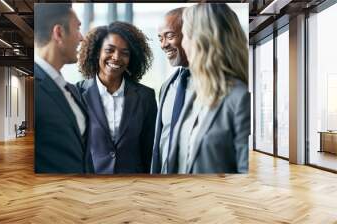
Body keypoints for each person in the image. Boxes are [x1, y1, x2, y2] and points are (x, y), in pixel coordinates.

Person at [166, 3, 250, 174]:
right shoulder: (195, 94)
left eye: (186, 36)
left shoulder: (240, 99)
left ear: (203, 41)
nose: (183, 44)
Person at [77, 21, 157, 174]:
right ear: (96, 52)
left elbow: (149, 151)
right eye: (110, 50)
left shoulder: (146, 97)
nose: (116, 57)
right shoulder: (77, 94)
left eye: (125, 53)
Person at [34, 3, 92, 173]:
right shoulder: (35, 91)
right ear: (59, 33)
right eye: (77, 28)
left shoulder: (71, 90)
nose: (82, 38)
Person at [151, 8, 191, 174]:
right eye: (160, 38)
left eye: (169, 36)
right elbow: (160, 142)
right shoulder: (167, 86)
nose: (163, 45)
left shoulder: (219, 85)